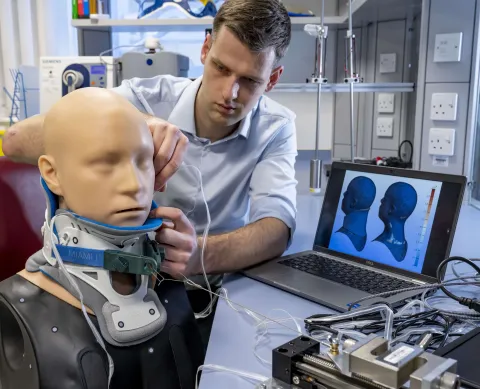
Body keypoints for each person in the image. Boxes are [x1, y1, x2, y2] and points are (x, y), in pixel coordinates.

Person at [2, 0, 298, 345]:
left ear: (273, 79)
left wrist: (198, 255)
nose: (229, 93)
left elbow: (277, 228)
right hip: (107, 290)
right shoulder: (143, 98)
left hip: (212, 293)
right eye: (220, 68)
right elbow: (15, 142)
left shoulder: (276, 128)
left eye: (249, 81)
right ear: (206, 49)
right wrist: (131, 123)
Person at [0, 87, 204, 389]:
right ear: (52, 174)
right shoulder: (12, 309)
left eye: (143, 160)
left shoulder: (173, 288)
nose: (135, 185)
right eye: (106, 163)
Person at [374, 182, 418, 262]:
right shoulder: (404, 244)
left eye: (385, 199)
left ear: (392, 209)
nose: (381, 200)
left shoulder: (376, 247)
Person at [336, 176, 376, 251]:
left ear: (354, 202)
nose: (344, 194)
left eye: (347, 192)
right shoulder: (362, 236)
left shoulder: (339, 238)